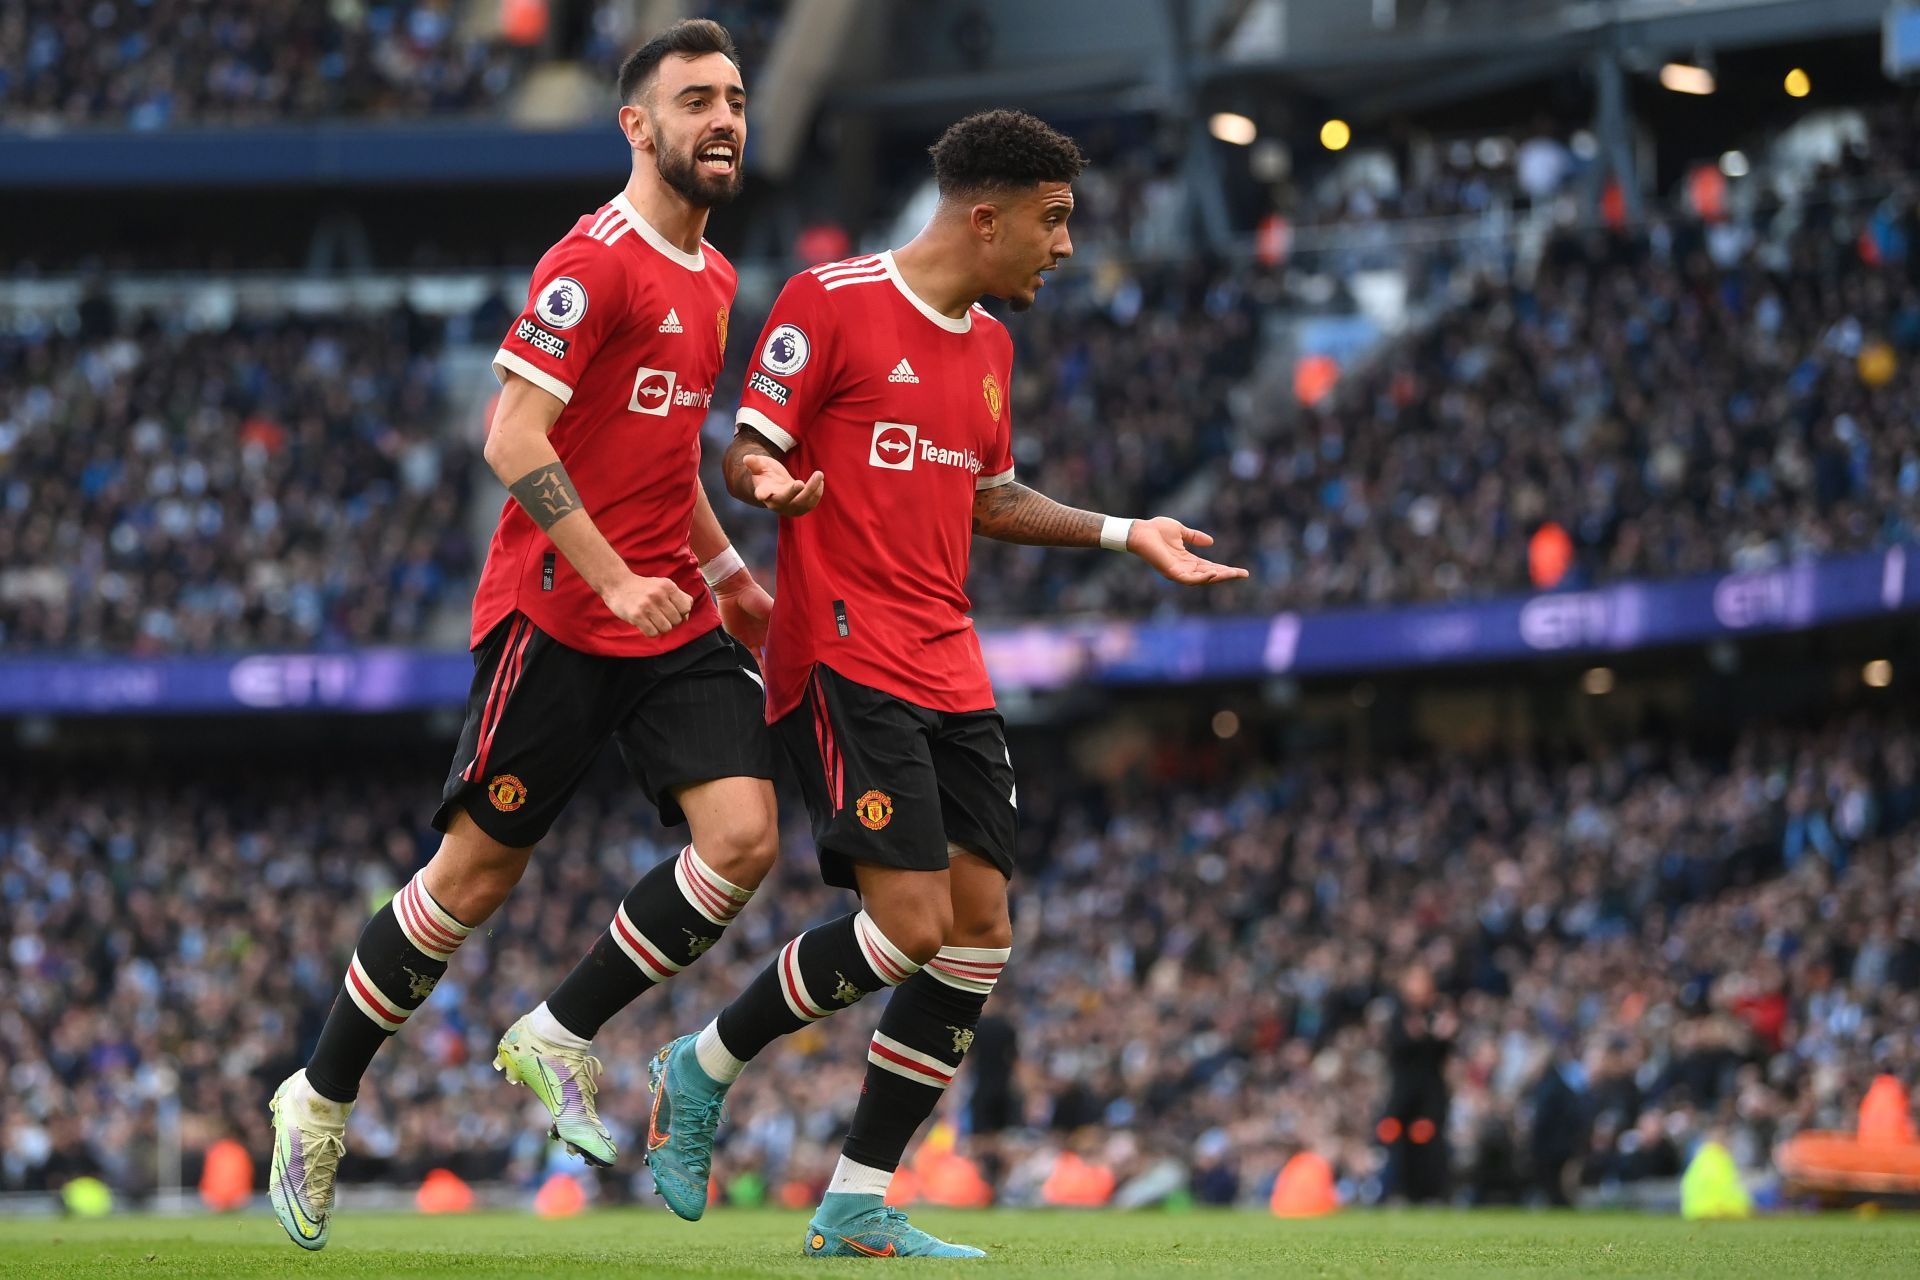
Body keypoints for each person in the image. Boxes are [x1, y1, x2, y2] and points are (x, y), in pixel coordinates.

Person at [643, 109, 1248, 1259]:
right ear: (988, 216)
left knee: (978, 933)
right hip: (841, 648)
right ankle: (702, 1060)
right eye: (1053, 220)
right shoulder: (830, 301)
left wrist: (1127, 532)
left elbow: (991, 496)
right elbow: (744, 445)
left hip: (950, 661)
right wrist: (768, 479)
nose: (1064, 247)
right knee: (910, 918)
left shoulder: (991, 349)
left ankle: (856, 1197)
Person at [267, 20, 779, 1250]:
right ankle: (318, 1093)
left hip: (665, 610)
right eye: (694, 99)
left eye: (735, 99)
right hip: (560, 611)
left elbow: (668, 456)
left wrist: (723, 573)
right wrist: (614, 580)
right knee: (474, 878)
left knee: (746, 834)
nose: (723, 118)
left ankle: (556, 1033)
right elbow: (511, 439)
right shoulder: (591, 260)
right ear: (636, 127)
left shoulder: (712, 277)